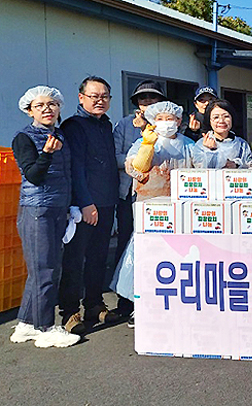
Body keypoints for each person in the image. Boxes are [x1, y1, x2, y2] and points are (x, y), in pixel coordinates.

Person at [9, 86, 80, 348]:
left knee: (43, 269)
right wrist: (47, 154)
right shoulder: (24, 138)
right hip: (37, 209)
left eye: (52, 104)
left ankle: (26, 324)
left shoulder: (59, 134)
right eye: (39, 106)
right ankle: (45, 328)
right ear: (29, 111)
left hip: (58, 208)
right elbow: (33, 175)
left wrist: (71, 205)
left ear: (59, 108)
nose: (47, 109)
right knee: (45, 270)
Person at [115, 101, 195, 327]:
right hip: (149, 206)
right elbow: (135, 168)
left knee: (177, 255)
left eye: (170, 118)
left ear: (179, 121)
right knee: (146, 255)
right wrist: (147, 146)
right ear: (152, 121)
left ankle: (177, 303)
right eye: (160, 118)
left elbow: (201, 169)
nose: (166, 122)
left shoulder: (189, 145)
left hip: (180, 208)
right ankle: (141, 305)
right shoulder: (144, 141)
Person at [59, 76, 120, 335]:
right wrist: (85, 202)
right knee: (75, 259)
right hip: (84, 206)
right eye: (94, 96)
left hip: (106, 202)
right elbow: (76, 167)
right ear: (81, 97)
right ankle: (69, 311)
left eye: (104, 96)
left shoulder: (106, 125)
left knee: (98, 257)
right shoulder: (74, 126)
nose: (99, 100)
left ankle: (94, 304)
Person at [112, 80, 166, 317]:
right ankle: (126, 299)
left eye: (153, 98)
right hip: (130, 194)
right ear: (137, 103)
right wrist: (136, 161)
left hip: (160, 196)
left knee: (159, 245)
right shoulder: (125, 125)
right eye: (143, 99)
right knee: (127, 243)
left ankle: (156, 295)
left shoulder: (168, 124)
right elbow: (114, 155)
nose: (148, 102)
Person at [192, 99, 252, 169]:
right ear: (209, 121)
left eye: (226, 116)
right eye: (216, 117)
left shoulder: (242, 144)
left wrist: (237, 165)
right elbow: (200, 170)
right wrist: (210, 151)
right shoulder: (201, 145)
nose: (221, 121)